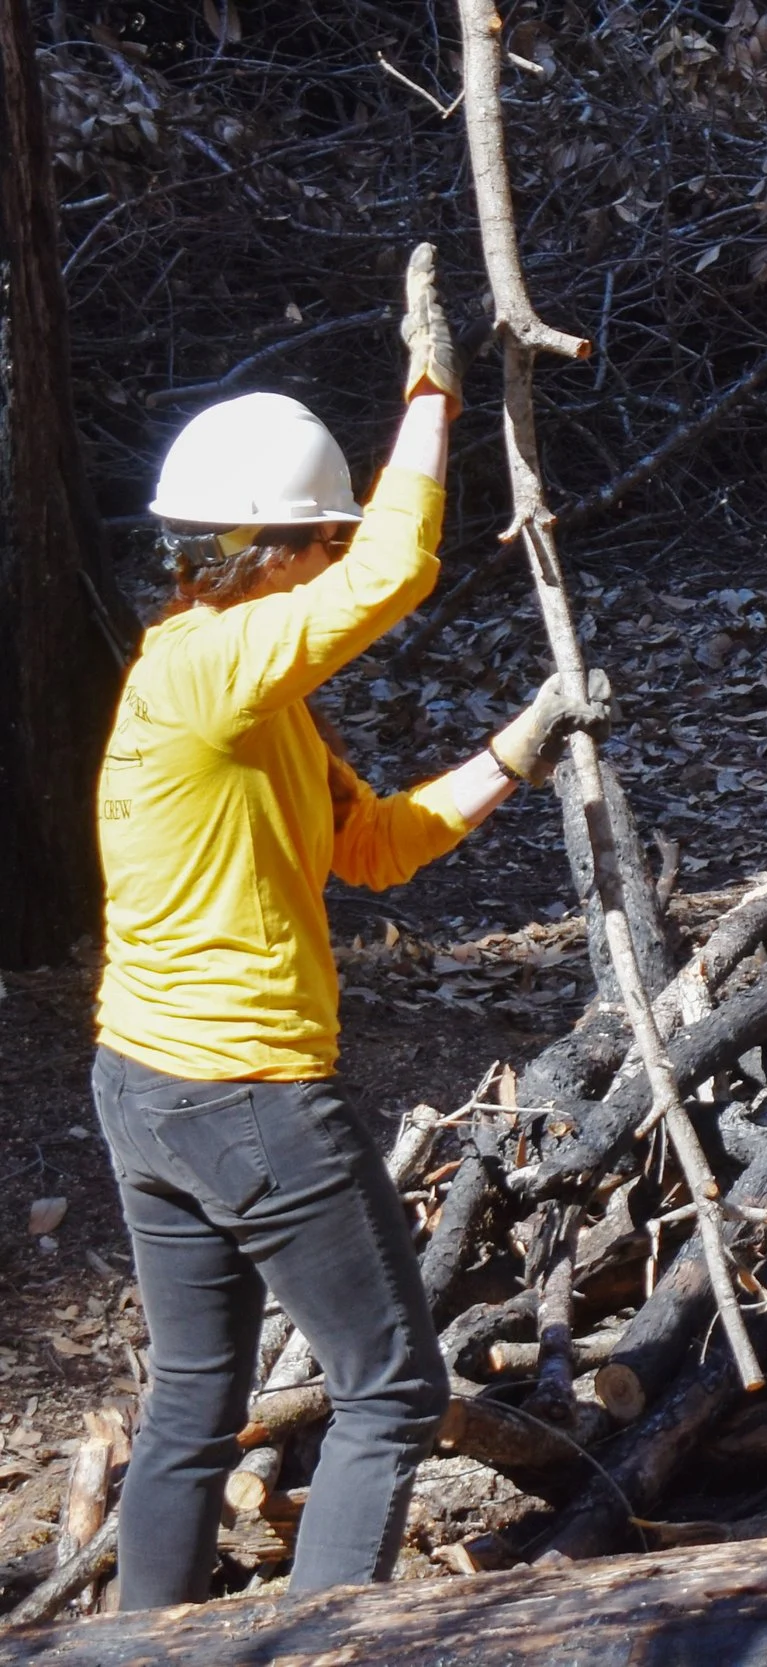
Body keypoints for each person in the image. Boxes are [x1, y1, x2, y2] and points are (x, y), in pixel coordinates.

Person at [92, 246, 610, 1609]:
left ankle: (137, 1649)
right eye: (317, 548)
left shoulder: (232, 689)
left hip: (145, 1086)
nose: (334, 572)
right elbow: (396, 566)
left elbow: (369, 847)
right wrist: (431, 388)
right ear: (273, 551)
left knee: (195, 1409)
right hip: (246, 1093)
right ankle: (330, 1650)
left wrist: (520, 749)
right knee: (390, 1386)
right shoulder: (214, 665)